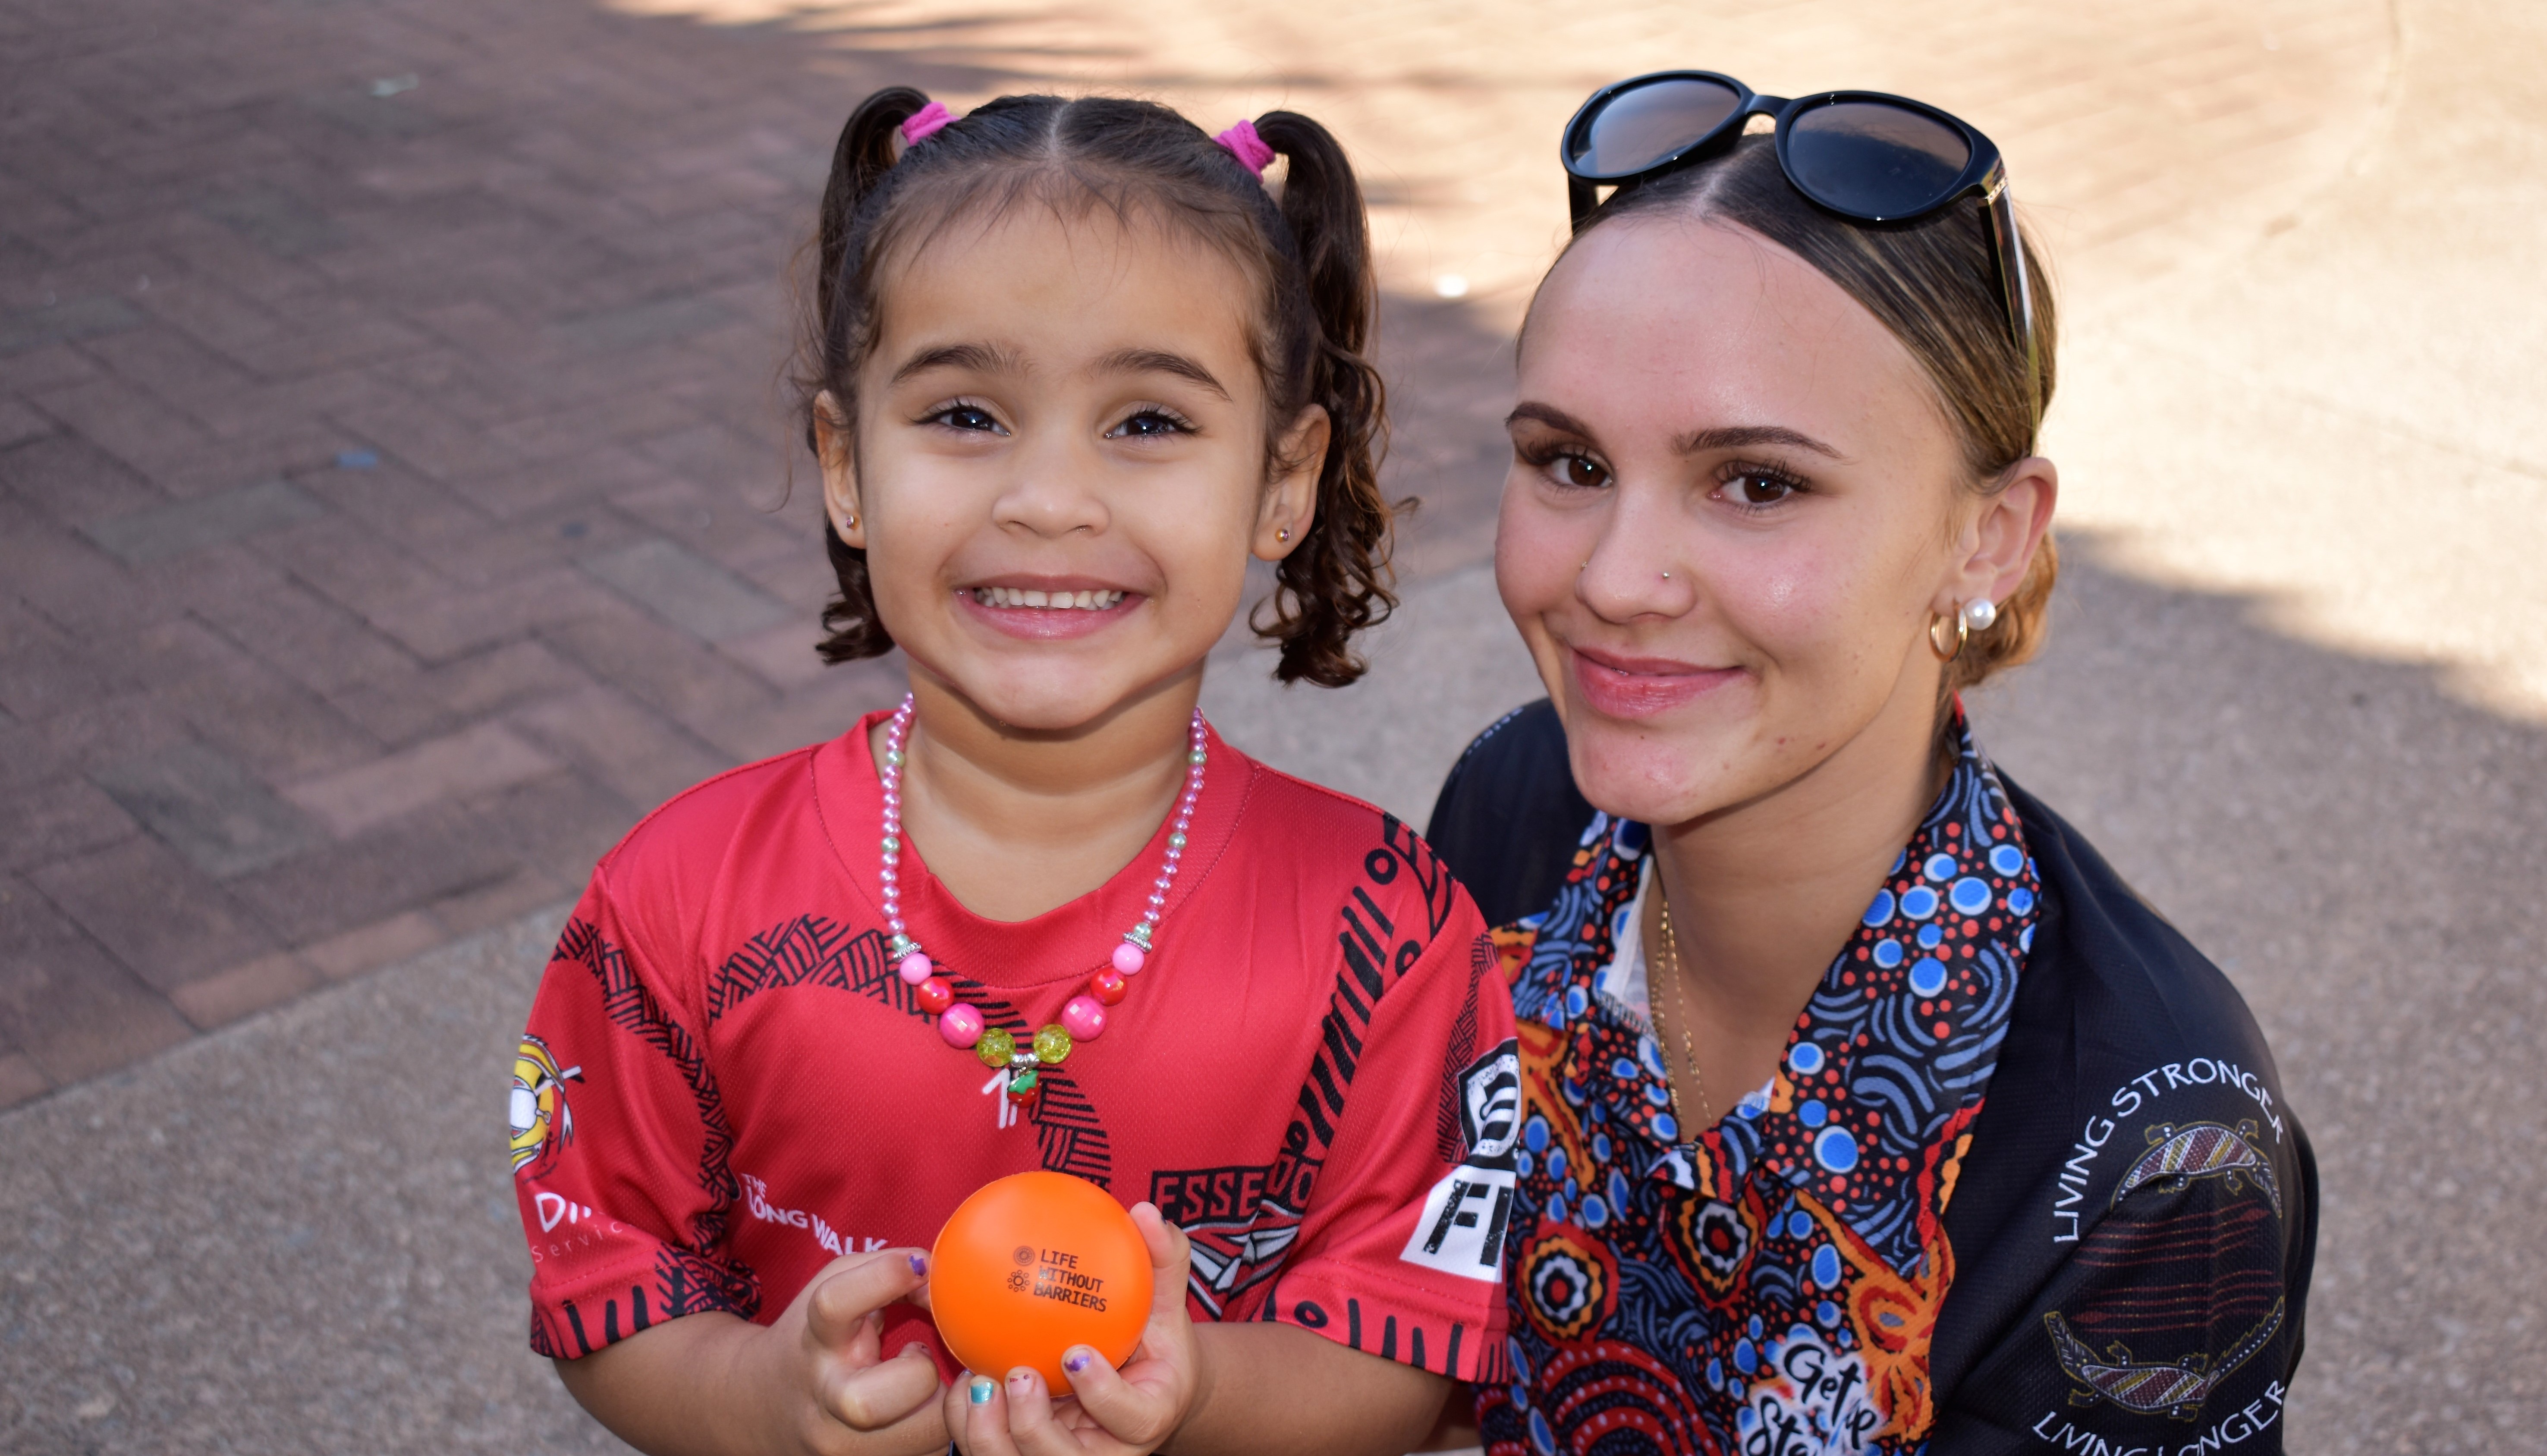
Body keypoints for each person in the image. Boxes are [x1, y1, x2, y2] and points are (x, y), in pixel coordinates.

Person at [508, 89, 1517, 1456]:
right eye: (968, 414)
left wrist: (1200, 1394)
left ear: (1284, 481)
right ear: (845, 466)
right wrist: (766, 1401)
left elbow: (1406, 1349)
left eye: (1150, 423)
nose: (1049, 500)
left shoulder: (1389, 935)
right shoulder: (677, 900)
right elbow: (604, 1289)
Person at [1424, 72, 2316, 1454]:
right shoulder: (1517, 802)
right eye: (1570, 462)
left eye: (1759, 483)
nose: (1615, 580)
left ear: (1989, 537)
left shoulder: (2150, 1153)